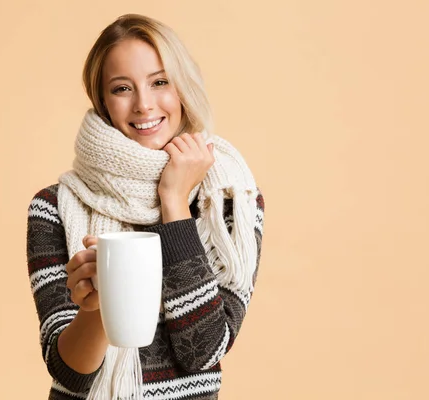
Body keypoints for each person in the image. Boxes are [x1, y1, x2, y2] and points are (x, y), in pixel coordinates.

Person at [26, 13, 265, 400]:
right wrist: (97, 308)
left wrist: (174, 204)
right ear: (103, 102)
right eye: (122, 88)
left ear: (182, 88)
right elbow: (67, 372)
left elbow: (203, 350)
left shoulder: (230, 200)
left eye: (159, 82)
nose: (143, 104)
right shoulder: (56, 205)